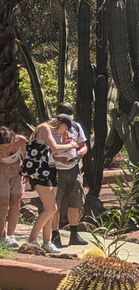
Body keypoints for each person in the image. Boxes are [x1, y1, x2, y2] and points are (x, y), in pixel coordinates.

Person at [24, 116, 79, 253]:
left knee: (48, 209)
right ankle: (32, 240)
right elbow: (54, 148)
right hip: (39, 172)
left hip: (49, 170)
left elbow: (51, 152)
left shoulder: (49, 132)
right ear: (61, 124)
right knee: (52, 208)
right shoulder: (44, 127)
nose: (65, 131)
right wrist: (71, 145)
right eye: (65, 128)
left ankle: (47, 242)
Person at [52, 103, 88, 247]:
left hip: (74, 169)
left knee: (76, 201)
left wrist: (81, 152)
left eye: (69, 112)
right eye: (64, 112)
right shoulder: (50, 129)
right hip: (56, 170)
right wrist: (57, 158)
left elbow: (83, 145)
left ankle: (74, 234)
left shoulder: (76, 126)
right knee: (56, 203)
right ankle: (54, 234)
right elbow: (47, 148)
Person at [0, 127, 27, 247]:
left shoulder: (20, 141)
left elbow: (26, 156)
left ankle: (11, 234)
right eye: (2, 148)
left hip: (17, 171)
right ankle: (2, 235)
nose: (6, 149)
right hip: (2, 171)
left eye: (8, 146)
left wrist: (27, 171)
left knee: (15, 202)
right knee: (3, 203)